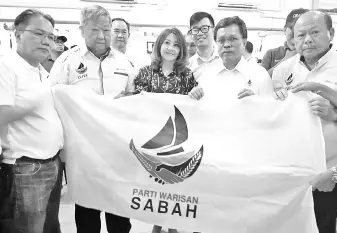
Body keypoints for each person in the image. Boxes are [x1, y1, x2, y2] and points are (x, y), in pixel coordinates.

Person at [49, 5, 133, 233]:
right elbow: (51, 101)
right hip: (81, 153)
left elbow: (135, 102)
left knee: (119, 213)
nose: (102, 36)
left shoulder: (124, 62)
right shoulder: (66, 62)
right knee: (87, 214)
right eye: (95, 30)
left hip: (117, 150)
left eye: (106, 30)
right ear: (82, 30)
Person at [272, 10, 337, 233]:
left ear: (331, 33)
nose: (307, 40)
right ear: (292, 39)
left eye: (315, 32)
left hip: (327, 177)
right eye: (300, 35)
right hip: (287, 177)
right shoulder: (282, 71)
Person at [0, 9, 64, 233]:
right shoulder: (6, 66)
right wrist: (34, 102)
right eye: (39, 34)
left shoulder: (41, 71)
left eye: (50, 37)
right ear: (17, 35)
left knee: (48, 225)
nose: (46, 41)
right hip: (27, 168)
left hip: (50, 163)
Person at [133, 28, 197, 233]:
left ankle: (169, 227)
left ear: (182, 50)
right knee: (155, 187)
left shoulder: (187, 76)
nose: (171, 48)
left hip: (178, 142)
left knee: (173, 186)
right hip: (151, 140)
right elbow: (134, 103)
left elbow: (194, 107)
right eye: (167, 42)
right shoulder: (145, 72)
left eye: (176, 44)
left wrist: (197, 94)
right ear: (158, 45)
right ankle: (158, 225)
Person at [189, 16, 273, 101]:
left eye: (233, 39)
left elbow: (270, 111)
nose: (226, 45)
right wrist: (194, 96)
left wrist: (256, 103)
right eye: (221, 40)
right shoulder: (207, 75)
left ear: (244, 43)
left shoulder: (260, 76)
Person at [261, 8, 309, 77]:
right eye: (293, 28)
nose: (298, 32)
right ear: (284, 29)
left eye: (304, 28)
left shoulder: (315, 54)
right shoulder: (271, 54)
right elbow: (260, 82)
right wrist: (286, 60)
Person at [187, 11, 221, 81]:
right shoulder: (188, 66)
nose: (199, 33)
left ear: (214, 31)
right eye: (195, 30)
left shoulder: (226, 60)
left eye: (204, 28)